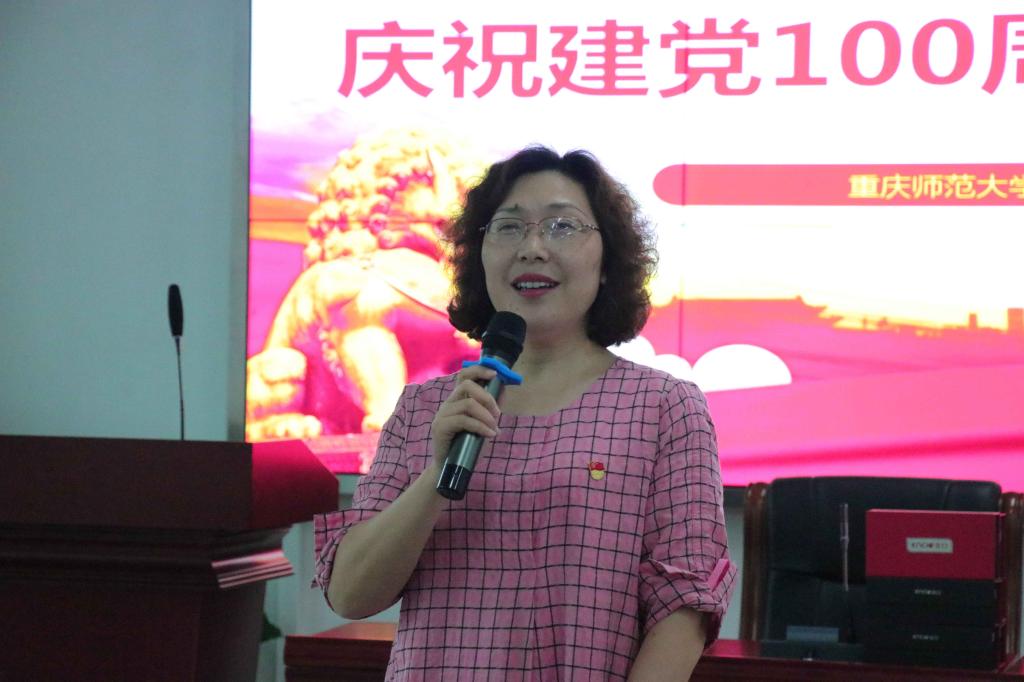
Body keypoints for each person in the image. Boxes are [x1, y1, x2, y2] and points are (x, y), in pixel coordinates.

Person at [313, 146, 736, 680]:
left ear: (608, 262)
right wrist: (436, 477)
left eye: (562, 226)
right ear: (479, 255)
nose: (532, 248)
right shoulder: (425, 408)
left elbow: (684, 608)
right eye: (509, 227)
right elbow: (350, 594)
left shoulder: (663, 407)